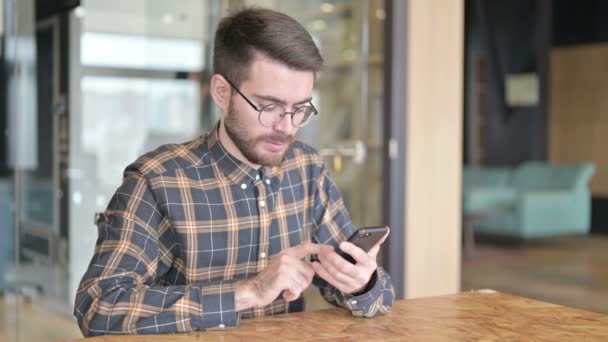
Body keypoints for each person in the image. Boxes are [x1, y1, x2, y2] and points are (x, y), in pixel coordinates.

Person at [74, 7, 394, 336]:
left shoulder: (306, 168)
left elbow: (378, 297)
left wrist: (361, 283)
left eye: (300, 109)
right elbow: (99, 307)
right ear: (222, 93)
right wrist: (247, 292)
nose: (286, 127)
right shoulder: (158, 180)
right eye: (269, 107)